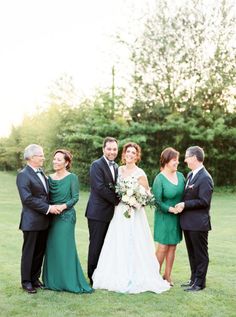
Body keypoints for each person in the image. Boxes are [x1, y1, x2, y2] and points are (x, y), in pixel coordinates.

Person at [92, 142, 170, 294]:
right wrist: (124, 198)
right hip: (119, 211)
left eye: (133, 152)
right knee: (117, 241)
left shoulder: (140, 173)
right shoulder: (118, 170)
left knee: (134, 242)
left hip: (134, 214)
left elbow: (147, 196)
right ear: (124, 154)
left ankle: (137, 275)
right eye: (128, 151)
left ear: (137, 156)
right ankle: (115, 273)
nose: (130, 154)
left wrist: (136, 201)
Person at [42, 149, 93, 294]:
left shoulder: (72, 178)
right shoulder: (48, 178)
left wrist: (63, 206)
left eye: (59, 159)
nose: (55, 161)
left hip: (66, 217)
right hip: (51, 216)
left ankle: (69, 281)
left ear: (67, 162)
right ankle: (52, 281)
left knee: (65, 248)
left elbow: (75, 197)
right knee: (52, 248)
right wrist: (52, 208)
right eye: (54, 159)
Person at [16, 144, 60, 294]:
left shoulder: (42, 173)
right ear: (32, 157)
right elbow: (27, 199)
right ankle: (26, 281)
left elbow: (45, 195)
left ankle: (35, 279)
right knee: (29, 252)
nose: (43, 158)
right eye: (41, 155)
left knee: (39, 252)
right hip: (31, 221)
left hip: (44, 221)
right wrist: (48, 208)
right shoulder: (23, 175)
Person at [176, 146, 214, 292]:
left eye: (187, 157)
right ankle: (193, 279)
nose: (185, 160)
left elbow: (204, 201)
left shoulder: (205, 177)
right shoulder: (191, 175)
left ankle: (199, 283)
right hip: (188, 223)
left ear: (194, 157)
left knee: (200, 254)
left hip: (199, 224)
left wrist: (185, 204)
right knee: (192, 254)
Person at [85, 137, 119, 286]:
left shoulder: (117, 166)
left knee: (107, 245)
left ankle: (103, 274)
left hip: (111, 214)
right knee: (96, 245)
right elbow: (100, 188)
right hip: (97, 213)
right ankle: (92, 276)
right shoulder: (96, 165)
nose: (112, 152)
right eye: (109, 149)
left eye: (114, 149)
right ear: (103, 149)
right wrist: (118, 200)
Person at [152, 147, 185, 286]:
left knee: (173, 246)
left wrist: (182, 205)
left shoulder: (181, 176)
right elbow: (157, 202)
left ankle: (167, 276)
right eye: (174, 160)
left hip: (177, 218)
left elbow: (185, 195)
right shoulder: (159, 179)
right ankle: (154, 275)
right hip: (164, 217)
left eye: (177, 160)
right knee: (162, 247)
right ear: (166, 161)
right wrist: (170, 209)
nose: (177, 162)